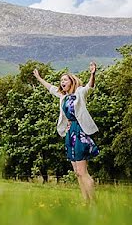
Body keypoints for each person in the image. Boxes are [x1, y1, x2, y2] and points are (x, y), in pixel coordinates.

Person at [33, 62, 99, 202]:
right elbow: (50, 88)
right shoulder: (63, 96)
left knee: (82, 171)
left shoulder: (80, 92)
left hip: (80, 131)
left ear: (71, 81)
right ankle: (86, 201)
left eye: (65, 80)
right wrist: (39, 78)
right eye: (61, 80)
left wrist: (92, 74)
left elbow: (90, 86)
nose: (62, 82)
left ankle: (94, 203)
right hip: (70, 133)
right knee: (77, 172)